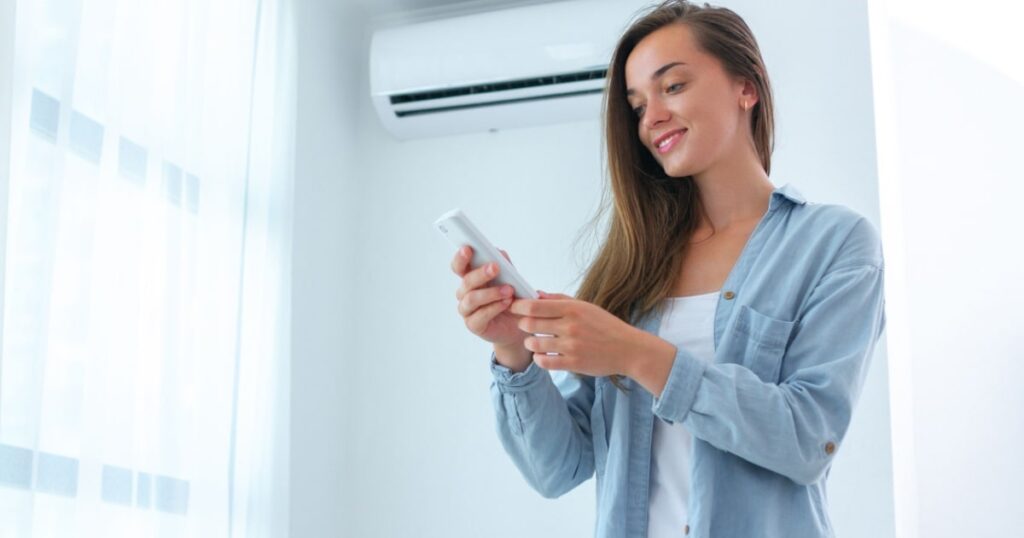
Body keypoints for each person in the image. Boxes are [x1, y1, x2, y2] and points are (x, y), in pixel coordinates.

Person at [449, 1, 886, 536]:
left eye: (673, 87)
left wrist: (637, 354)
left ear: (745, 87)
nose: (650, 117)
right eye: (636, 106)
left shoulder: (835, 245)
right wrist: (513, 350)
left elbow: (806, 439)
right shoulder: (634, 267)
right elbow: (557, 468)